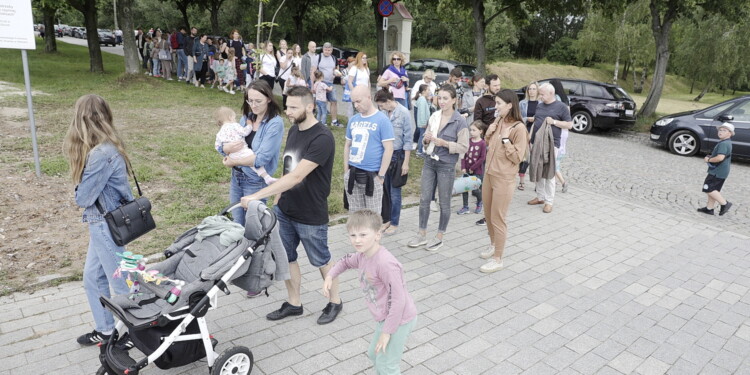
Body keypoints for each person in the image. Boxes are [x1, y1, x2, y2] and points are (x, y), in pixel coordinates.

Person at [240, 86, 343, 324]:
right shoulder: (295, 129)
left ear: (310, 106)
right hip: (285, 210)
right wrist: (277, 198)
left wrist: (257, 195)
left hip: (310, 214)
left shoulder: (322, 138)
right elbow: (288, 167)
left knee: (322, 260)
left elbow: (298, 176)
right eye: (287, 106)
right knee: (287, 258)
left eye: (294, 107)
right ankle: (294, 303)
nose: (288, 111)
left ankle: (335, 301)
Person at [63, 95, 133, 345]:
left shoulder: (101, 153)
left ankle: (137, 331)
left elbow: (83, 198)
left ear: (82, 120)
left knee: (123, 281)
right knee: (93, 277)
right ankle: (105, 330)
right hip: (102, 222)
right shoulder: (106, 146)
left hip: (106, 224)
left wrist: (79, 185)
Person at [323, 209, 417, 374]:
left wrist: (387, 332)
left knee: (387, 365)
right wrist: (330, 276)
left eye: (363, 235)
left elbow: (399, 301)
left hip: (399, 319)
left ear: (377, 235)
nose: (357, 240)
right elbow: (345, 261)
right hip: (385, 318)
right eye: (353, 235)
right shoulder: (363, 255)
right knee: (374, 355)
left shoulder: (386, 264)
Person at [407, 84, 468, 252]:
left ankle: (440, 236)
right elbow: (426, 141)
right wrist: (426, 140)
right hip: (429, 161)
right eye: (439, 98)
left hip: (446, 165)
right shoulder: (434, 116)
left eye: (445, 98)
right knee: (425, 199)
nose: (441, 101)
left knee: (444, 202)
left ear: (454, 100)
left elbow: (463, 147)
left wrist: (446, 144)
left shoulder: (460, 121)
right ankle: (421, 234)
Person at [479, 89, 528, 273]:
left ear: (510, 105)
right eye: (496, 103)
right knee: (488, 215)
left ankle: (498, 259)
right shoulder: (498, 121)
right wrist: (488, 134)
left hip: (504, 179)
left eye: (499, 103)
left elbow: (518, 158)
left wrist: (506, 139)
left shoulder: (519, 128)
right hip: (489, 175)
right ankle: (493, 244)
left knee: (498, 218)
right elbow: (490, 146)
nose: (495, 107)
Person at [222, 81, 284, 226]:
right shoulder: (246, 118)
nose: (254, 105)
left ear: (269, 98)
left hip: (255, 180)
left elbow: (261, 158)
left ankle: (258, 250)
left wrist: (234, 161)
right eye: (250, 101)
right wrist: (225, 149)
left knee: (253, 226)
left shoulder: (275, 123)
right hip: (236, 177)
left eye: (258, 101)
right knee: (238, 223)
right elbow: (230, 141)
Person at [345, 86, 395, 214]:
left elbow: (388, 149)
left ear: (368, 98)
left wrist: (381, 175)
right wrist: (346, 171)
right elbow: (347, 145)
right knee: (355, 217)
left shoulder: (382, 120)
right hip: (353, 174)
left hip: (373, 176)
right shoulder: (353, 120)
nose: (356, 105)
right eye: (353, 102)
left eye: (358, 101)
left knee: (372, 219)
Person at [528, 83, 573, 213]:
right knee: (538, 169)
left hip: (552, 144)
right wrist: (530, 138)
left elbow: (569, 125)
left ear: (551, 93)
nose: (540, 97)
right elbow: (536, 121)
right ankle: (540, 197)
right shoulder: (540, 105)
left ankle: (549, 201)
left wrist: (554, 122)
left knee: (549, 172)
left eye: (542, 94)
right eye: (540, 94)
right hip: (537, 143)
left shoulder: (561, 107)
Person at [374, 89, 414, 236]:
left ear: (389, 101)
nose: (380, 108)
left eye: (382, 105)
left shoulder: (403, 113)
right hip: (384, 155)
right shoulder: (383, 114)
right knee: (384, 191)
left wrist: (406, 163)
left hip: (398, 156)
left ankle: (395, 222)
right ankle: (386, 220)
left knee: (395, 192)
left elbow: (408, 140)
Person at [214, 106, 277, 185]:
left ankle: (264, 177)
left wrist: (226, 149)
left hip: (232, 155)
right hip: (242, 150)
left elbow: (217, 146)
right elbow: (244, 132)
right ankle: (266, 177)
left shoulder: (220, 132)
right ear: (230, 117)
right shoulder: (234, 125)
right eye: (234, 118)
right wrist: (249, 125)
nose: (235, 120)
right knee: (253, 160)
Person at [697, 123, 734, 216]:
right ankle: (709, 209)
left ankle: (725, 204)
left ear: (730, 133)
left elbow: (720, 157)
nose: (720, 132)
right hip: (721, 171)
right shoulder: (726, 142)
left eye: (724, 130)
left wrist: (708, 159)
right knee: (714, 190)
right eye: (720, 130)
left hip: (717, 172)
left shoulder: (724, 144)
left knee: (708, 188)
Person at [457, 121, 487, 216]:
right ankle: (465, 207)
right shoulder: (468, 141)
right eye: (471, 130)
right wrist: (463, 167)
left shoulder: (482, 143)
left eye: (474, 130)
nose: (471, 132)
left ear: (480, 131)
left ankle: (480, 201)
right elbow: (464, 155)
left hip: (477, 171)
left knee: (475, 190)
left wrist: (473, 168)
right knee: (464, 188)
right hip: (467, 170)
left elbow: (482, 158)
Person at [549, 78, 571, 193]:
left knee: (553, 160)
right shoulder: (566, 99)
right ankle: (556, 181)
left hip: (557, 129)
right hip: (564, 132)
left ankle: (562, 182)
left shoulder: (556, 99)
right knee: (557, 158)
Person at [312, 42, 342, 126]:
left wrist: (336, 74)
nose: (327, 52)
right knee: (322, 102)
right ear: (323, 49)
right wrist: (312, 85)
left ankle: (334, 121)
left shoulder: (334, 58)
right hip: (320, 82)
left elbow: (336, 69)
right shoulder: (318, 57)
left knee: (334, 101)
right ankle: (320, 121)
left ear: (331, 50)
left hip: (330, 83)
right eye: (326, 50)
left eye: (329, 50)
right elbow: (313, 71)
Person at [517, 81, 539, 191]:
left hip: (536, 132)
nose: (531, 91)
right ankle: (521, 182)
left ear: (537, 90)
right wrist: (527, 119)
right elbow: (518, 118)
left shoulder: (541, 104)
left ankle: (537, 183)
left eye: (534, 89)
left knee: (536, 158)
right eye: (530, 89)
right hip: (524, 130)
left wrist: (535, 119)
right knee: (524, 157)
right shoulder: (522, 103)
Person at [347, 52, 371, 117]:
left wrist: (369, 93)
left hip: (365, 93)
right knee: (357, 111)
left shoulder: (367, 69)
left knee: (366, 110)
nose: (365, 60)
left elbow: (368, 82)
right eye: (363, 58)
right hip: (357, 92)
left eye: (366, 58)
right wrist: (354, 92)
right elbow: (349, 82)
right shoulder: (354, 68)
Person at [413, 84, 431, 157]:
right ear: (424, 91)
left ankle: (420, 150)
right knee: (422, 136)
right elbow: (422, 112)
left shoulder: (423, 99)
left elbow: (427, 108)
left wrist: (429, 100)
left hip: (422, 122)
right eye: (428, 90)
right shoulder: (422, 100)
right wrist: (424, 123)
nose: (429, 91)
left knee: (422, 135)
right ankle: (419, 151)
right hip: (422, 123)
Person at [277, 39, 293, 108]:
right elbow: (283, 67)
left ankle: (289, 105)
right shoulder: (283, 58)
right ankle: (285, 107)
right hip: (283, 77)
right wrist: (287, 58)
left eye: (291, 53)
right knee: (285, 92)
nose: (290, 54)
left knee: (290, 93)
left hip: (290, 78)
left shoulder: (293, 58)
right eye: (288, 53)